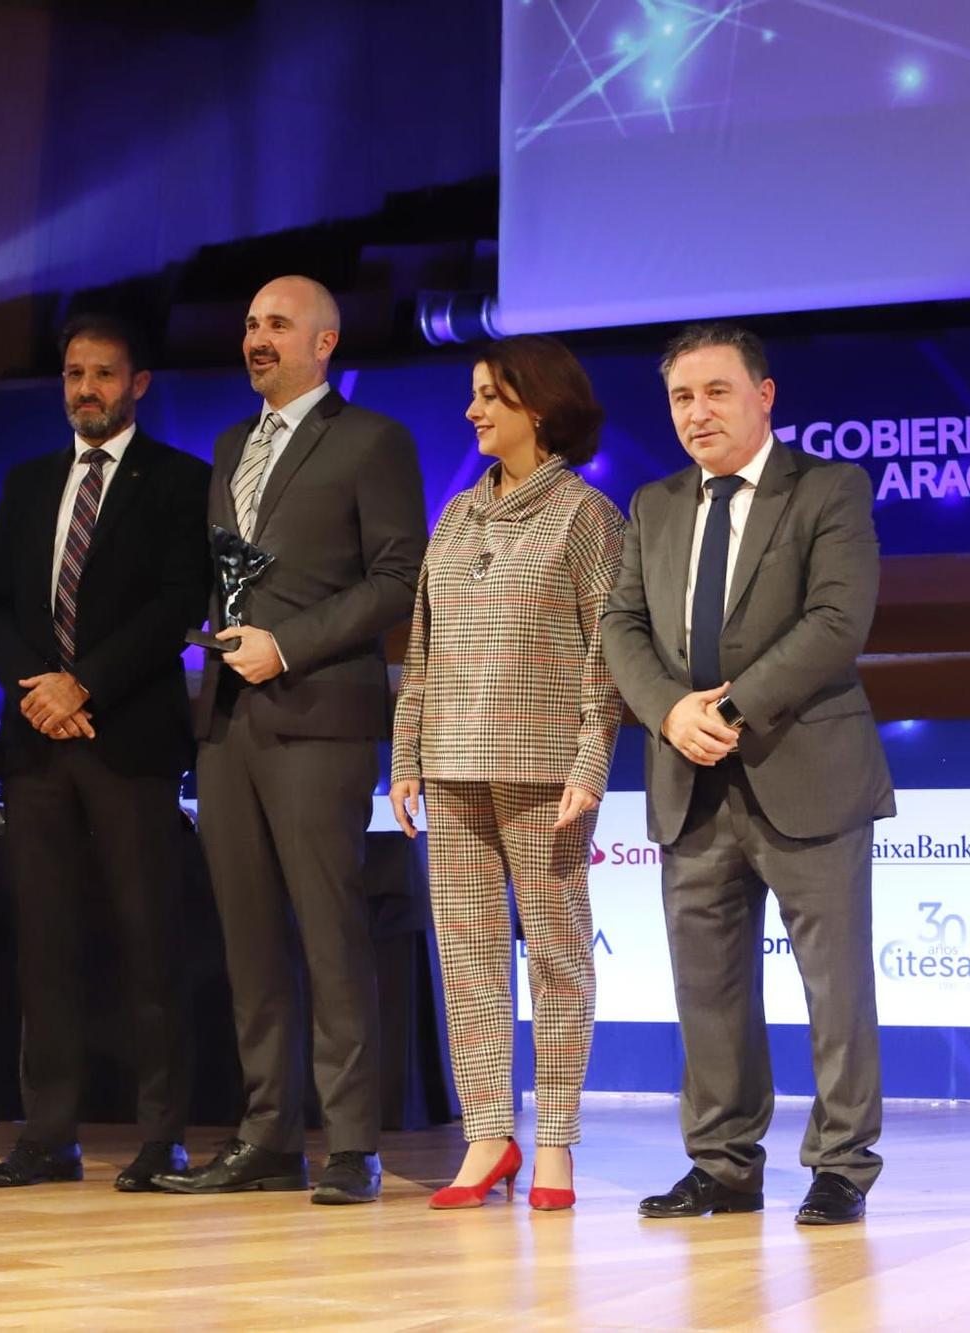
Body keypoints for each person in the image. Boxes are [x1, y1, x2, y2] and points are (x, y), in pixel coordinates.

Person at [599, 323, 893, 1226]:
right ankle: (723, 1163)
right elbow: (622, 627)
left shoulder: (829, 488)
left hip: (803, 769)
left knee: (834, 987)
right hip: (689, 779)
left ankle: (842, 1163)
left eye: (716, 392)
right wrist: (669, 710)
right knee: (708, 988)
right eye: (682, 397)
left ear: (764, 396)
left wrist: (728, 709)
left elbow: (838, 621)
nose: (698, 413)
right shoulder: (652, 505)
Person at [154, 276, 427, 1206]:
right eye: (248, 322)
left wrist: (290, 644)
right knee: (250, 939)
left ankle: (351, 1144)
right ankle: (268, 1134)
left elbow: (399, 578)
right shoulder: (232, 443)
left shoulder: (373, 441)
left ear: (325, 342)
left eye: (276, 323)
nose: (256, 336)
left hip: (320, 715)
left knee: (329, 931)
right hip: (229, 720)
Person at [0, 313, 211, 1192]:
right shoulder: (31, 481)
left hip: (130, 743)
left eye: (104, 374)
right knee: (46, 945)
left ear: (138, 383)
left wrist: (87, 685)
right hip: (36, 747)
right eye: (75, 374)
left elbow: (180, 603)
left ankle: (161, 1137)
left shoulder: (182, 480)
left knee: (151, 943)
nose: (86, 390)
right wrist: (39, 686)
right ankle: (48, 1134)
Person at [387, 335, 624, 1212]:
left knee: (558, 955)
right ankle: (489, 1133)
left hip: (543, 770)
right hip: (448, 766)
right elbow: (423, 646)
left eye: (490, 394)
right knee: (469, 956)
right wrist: (404, 753)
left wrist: (591, 761)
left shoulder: (588, 517)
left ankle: (555, 1138)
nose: (473, 409)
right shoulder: (455, 517)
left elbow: (610, 656)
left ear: (540, 404)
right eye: (474, 393)